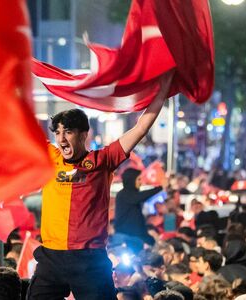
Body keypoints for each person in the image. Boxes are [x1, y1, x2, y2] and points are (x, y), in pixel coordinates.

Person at [28, 96, 167, 299]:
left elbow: (140, 129)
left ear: (84, 134)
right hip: (51, 257)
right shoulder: (50, 156)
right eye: (57, 133)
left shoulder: (103, 159)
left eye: (68, 131)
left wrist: (161, 94)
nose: (61, 139)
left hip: (90, 259)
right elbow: (17, 128)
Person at [114, 168, 163, 246]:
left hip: (137, 236)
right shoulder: (123, 194)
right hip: (125, 238)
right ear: (131, 180)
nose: (141, 182)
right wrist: (159, 188)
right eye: (138, 179)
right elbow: (140, 197)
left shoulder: (132, 195)